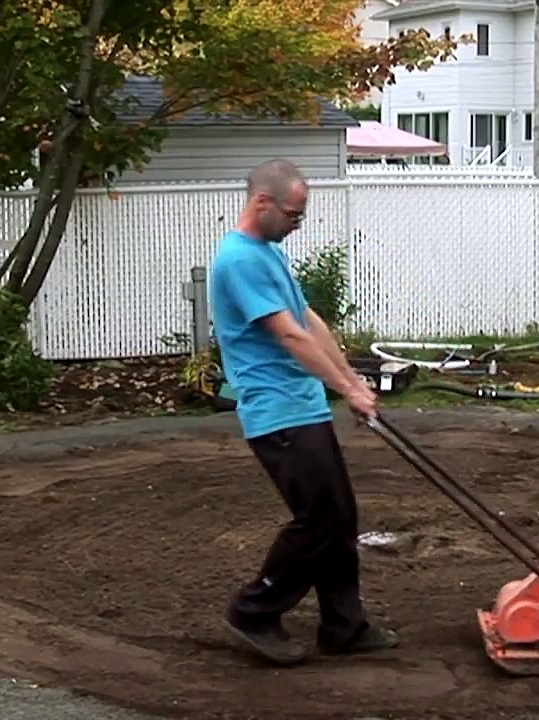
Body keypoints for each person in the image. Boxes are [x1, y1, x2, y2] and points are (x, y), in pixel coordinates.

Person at [209, 158, 399, 665]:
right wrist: (347, 390)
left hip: (301, 405)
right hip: (277, 412)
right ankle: (253, 611)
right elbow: (289, 336)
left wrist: (352, 383)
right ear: (262, 203)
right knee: (319, 519)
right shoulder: (239, 260)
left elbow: (308, 321)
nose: (299, 222)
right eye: (293, 213)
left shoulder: (266, 252)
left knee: (338, 519)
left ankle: (344, 627)